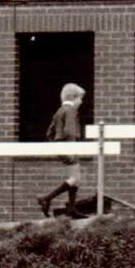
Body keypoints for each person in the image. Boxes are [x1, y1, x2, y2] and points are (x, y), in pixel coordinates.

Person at [37, 82, 86, 218]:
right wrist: (73, 145)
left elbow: (49, 133)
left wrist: (57, 146)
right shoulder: (71, 111)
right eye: (80, 98)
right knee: (75, 178)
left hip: (62, 147)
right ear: (74, 97)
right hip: (70, 146)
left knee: (75, 178)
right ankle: (47, 198)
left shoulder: (59, 111)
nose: (81, 102)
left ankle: (71, 208)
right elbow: (70, 130)